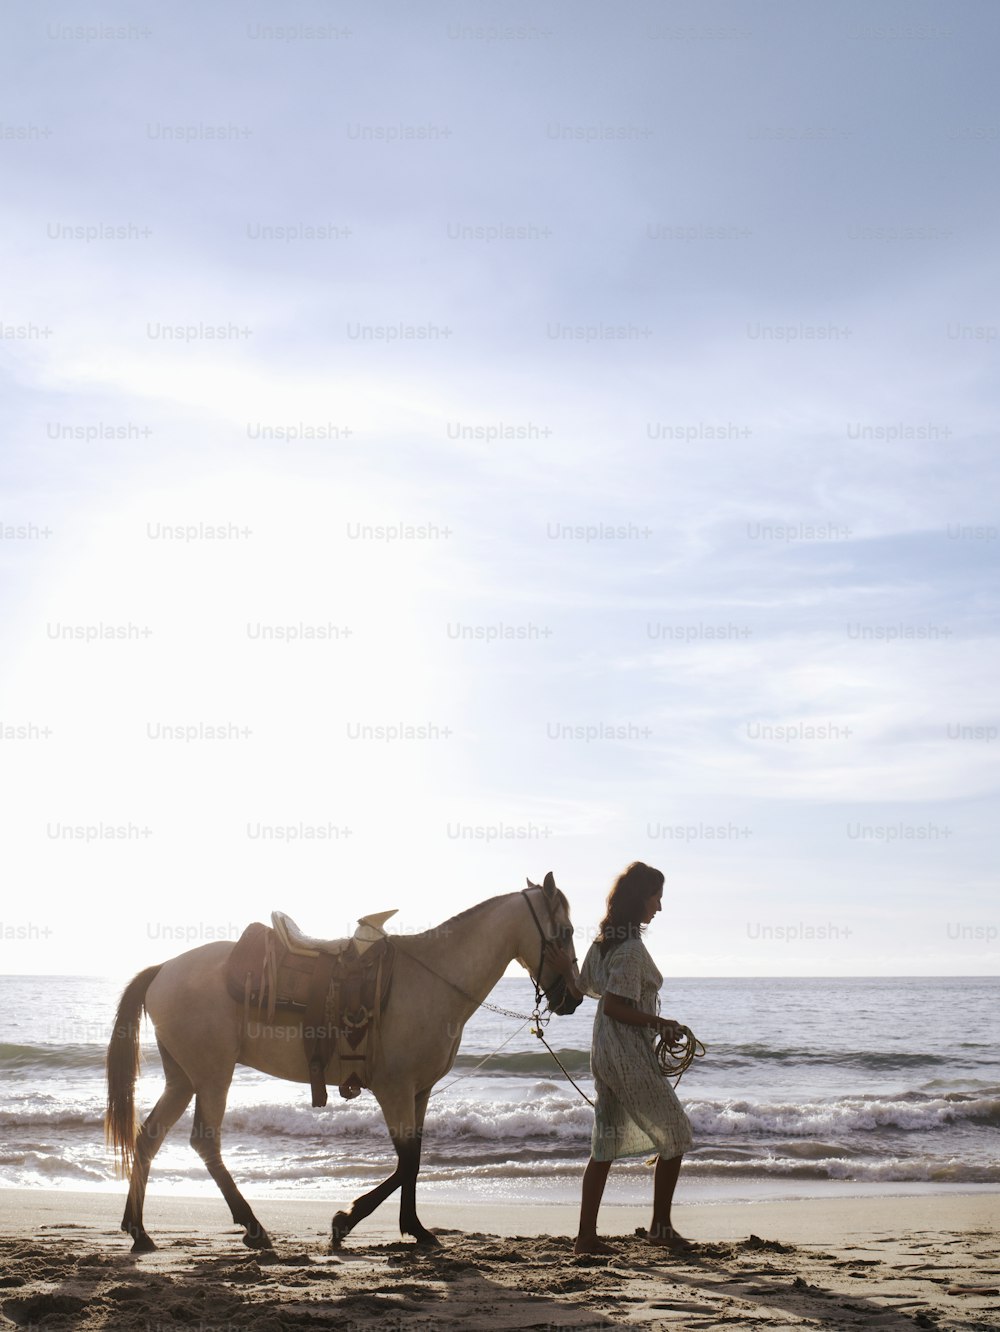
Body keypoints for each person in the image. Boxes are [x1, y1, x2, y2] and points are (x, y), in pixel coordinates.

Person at [547, 861, 695, 1255]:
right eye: (656, 898)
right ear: (639, 899)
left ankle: (585, 1237)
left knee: (605, 1141)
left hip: (606, 1050)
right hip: (626, 1051)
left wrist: (567, 968)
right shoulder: (629, 950)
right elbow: (613, 1005)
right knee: (676, 1131)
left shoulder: (606, 942)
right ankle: (660, 1227)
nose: (659, 907)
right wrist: (659, 1021)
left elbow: (585, 987)